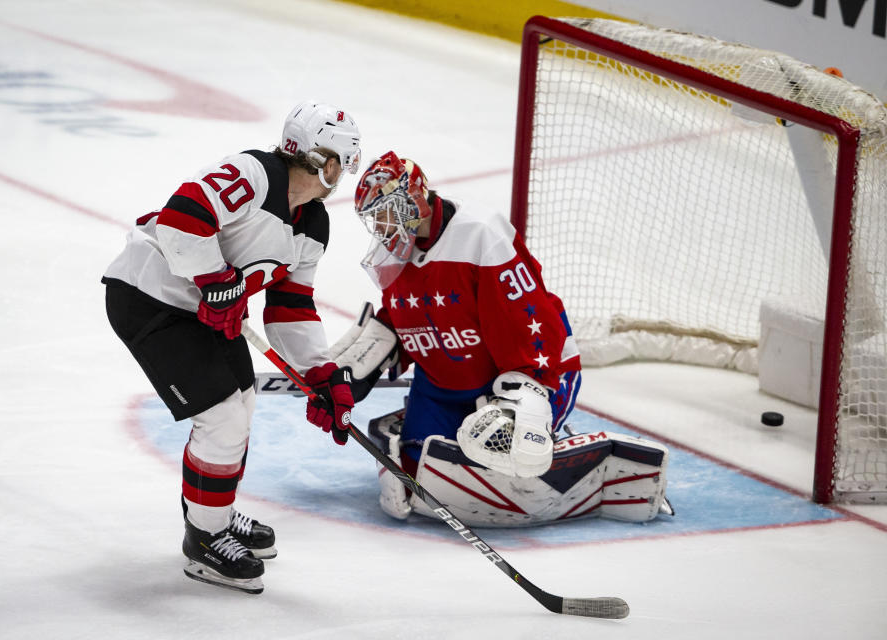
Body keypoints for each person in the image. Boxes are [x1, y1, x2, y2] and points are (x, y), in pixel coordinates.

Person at [102, 100, 361, 593]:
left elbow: (291, 307)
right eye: (341, 164)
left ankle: (213, 513)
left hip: (204, 314)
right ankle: (205, 539)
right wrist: (215, 279)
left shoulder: (312, 222)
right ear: (329, 163)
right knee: (221, 416)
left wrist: (320, 373)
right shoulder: (253, 173)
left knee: (240, 404)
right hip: (149, 298)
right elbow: (181, 218)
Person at [340, 151, 671, 527]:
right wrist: (357, 367)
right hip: (442, 385)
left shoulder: (481, 233)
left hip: (528, 374)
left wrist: (527, 397)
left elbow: (533, 321)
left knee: (506, 459)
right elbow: (404, 317)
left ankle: (583, 454)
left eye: (387, 212)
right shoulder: (394, 248)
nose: (381, 226)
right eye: (374, 217)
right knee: (422, 482)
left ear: (415, 199)